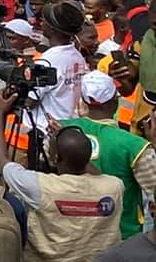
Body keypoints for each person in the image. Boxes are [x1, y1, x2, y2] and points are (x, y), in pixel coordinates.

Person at [0, 97, 123, 262]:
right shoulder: (113, 187)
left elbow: (1, 161)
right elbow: (89, 168)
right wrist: (67, 143)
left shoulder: (40, 186)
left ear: (56, 158)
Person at [64, 69, 156, 240]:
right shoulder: (134, 146)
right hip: (121, 235)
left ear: (83, 100)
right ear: (115, 101)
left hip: (72, 231)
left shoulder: (61, 131)